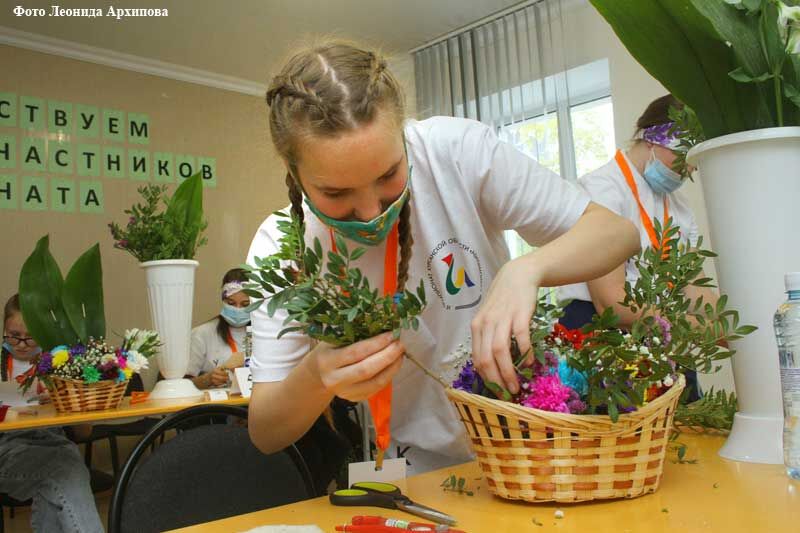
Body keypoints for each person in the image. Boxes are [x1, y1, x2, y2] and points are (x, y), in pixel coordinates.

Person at [246, 40, 640, 473]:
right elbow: (267, 433)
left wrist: (527, 269)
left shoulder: (456, 151)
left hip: (529, 443)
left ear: (404, 137)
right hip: (419, 470)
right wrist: (318, 375)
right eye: (336, 193)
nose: (373, 212)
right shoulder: (279, 247)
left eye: (388, 175)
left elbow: (617, 233)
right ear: (293, 171)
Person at [558, 95, 720, 401]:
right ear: (655, 139)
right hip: (600, 332)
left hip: (662, 334)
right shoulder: (601, 191)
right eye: (685, 158)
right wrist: (690, 326)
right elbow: (610, 301)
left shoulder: (679, 208)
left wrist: (728, 329)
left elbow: (694, 286)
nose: (689, 171)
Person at [0, 294, 104, 533]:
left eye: (30, 337)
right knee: (65, 470)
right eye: (13, 336)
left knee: (59, 476)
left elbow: (83, 431)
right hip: (6, 448)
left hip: (55, 443)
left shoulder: (59, 365)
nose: (21, 344)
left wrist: (64, 400)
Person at [187, 268, 250, 389]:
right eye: (231, 303)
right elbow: (181, 385)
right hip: (218, 406)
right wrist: (208, 379)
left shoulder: (264, 334)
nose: (237, 309)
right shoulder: (201, 334)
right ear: (223, 300)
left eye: (245, 304)